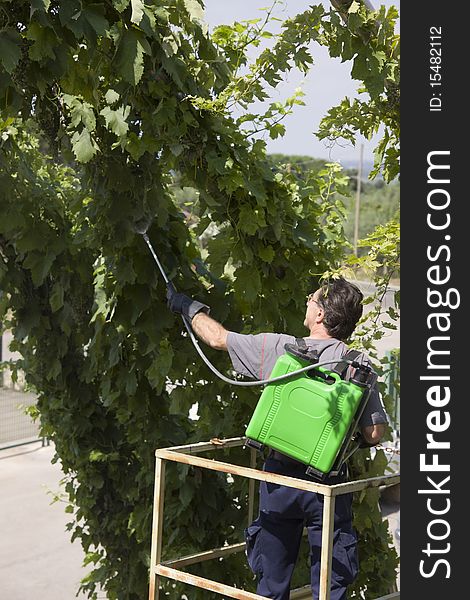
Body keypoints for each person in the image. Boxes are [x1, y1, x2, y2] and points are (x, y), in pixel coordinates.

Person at [167, 277, 388, 600]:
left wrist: (186, 307)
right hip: (327, 486)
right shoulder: (357, 365)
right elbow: (374, 433)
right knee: (331, 585)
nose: (307, 303)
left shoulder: (279, 349)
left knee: (271, 583)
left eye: (311, 300)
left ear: (321, 316)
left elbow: (217, 339)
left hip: (279, 481)